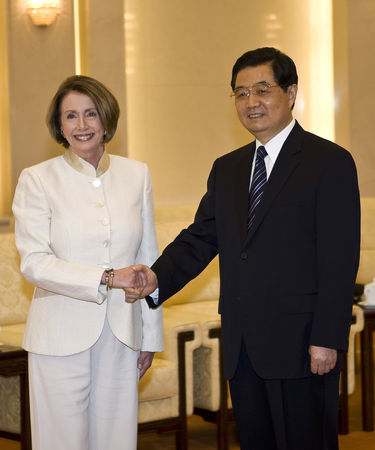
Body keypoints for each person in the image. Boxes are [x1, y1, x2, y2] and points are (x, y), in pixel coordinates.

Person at [125, 47, 361, 450]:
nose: (251, 102)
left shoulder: (329, 161)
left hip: (303, 344)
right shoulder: (228, 168)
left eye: (262, 89)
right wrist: (156, 276)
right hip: (243, 347)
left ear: (291, 93)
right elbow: (201, 237)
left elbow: (339, 260)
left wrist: (327, 337)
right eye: (240, 93)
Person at [12, 75, 163, 450]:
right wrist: (108, 277)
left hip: (123, 334)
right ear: (59, 125)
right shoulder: (37, 179)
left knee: (117, 440)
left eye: (91, 114)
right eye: (71, 116)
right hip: (59, 336)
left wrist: (151, 336)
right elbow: (34, 263)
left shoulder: (137, 174)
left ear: (106, 118)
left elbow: (149, 260)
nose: (82, 126)